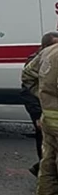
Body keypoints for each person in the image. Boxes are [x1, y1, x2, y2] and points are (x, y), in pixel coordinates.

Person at [20, 32, 58, 177]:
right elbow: (27, 91)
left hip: (48, 112)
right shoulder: (37, 61)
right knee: (45, 146)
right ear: (44, 47)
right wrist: (37, 113)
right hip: (43, 113)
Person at [36, 39, 58, 195]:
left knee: (48, 166)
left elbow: (27, 75)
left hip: (49, 120)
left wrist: (44, 100)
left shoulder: (48, 52)